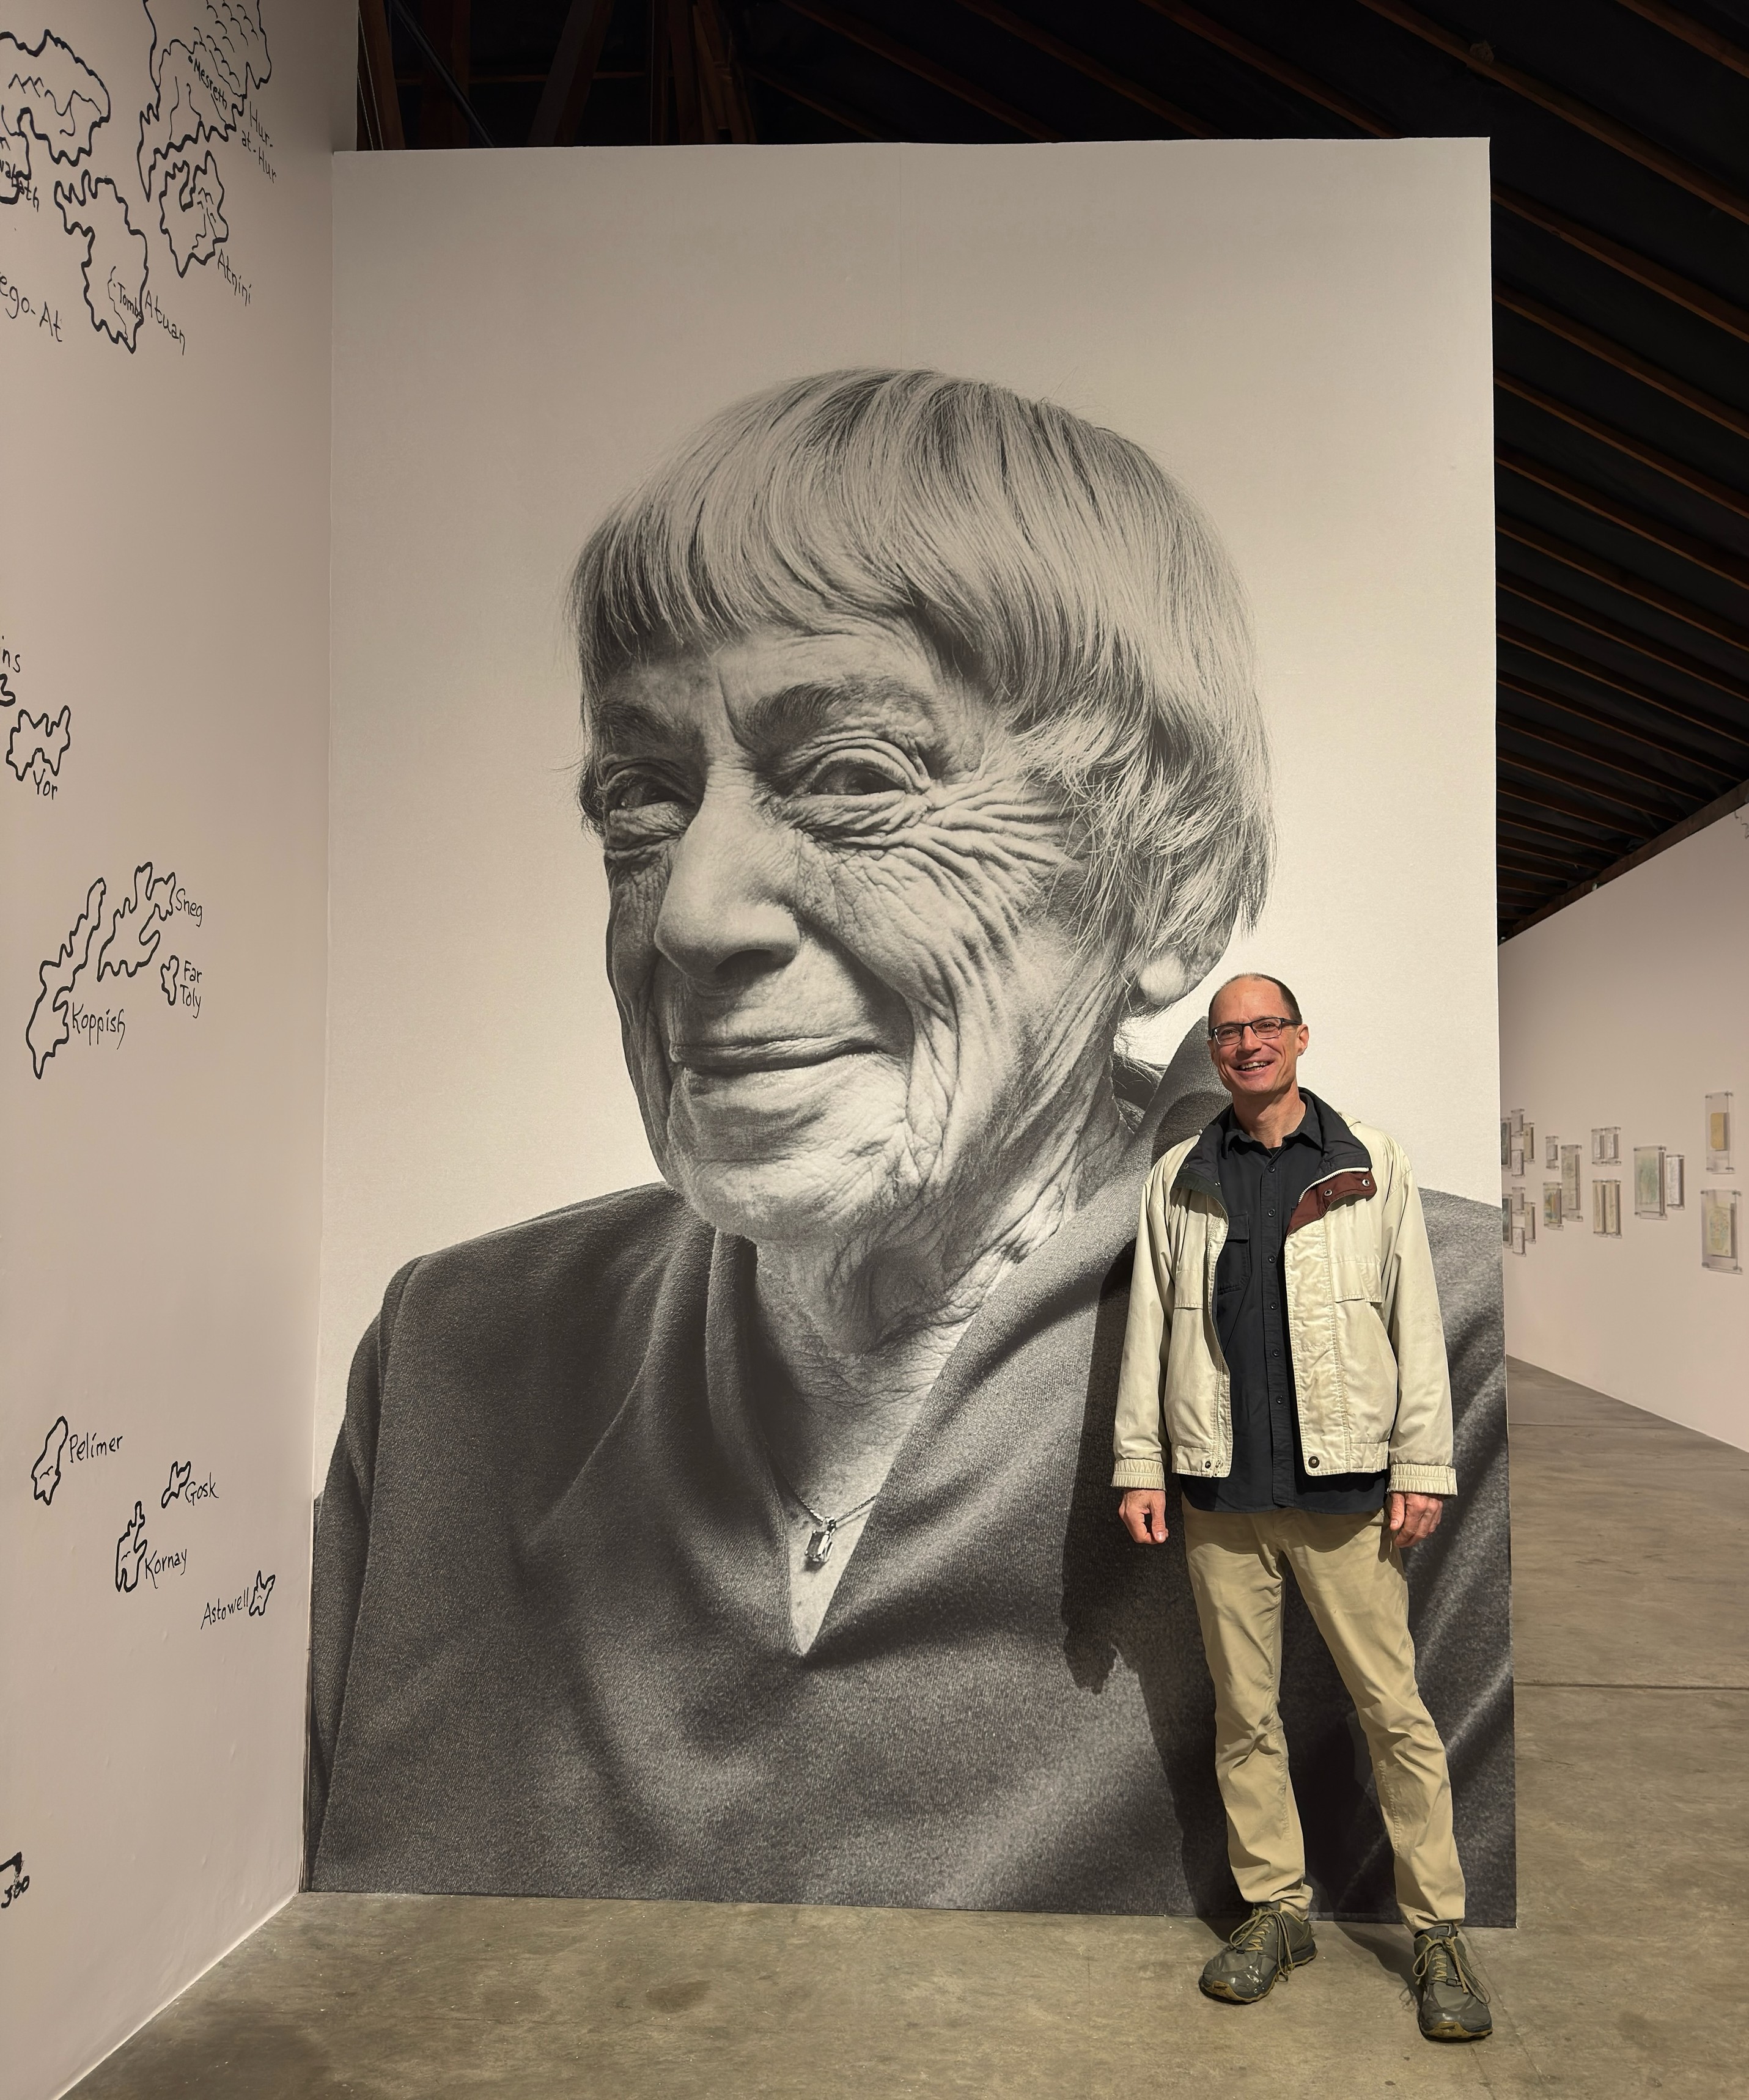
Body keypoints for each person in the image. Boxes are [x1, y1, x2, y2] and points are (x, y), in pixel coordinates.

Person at [306, 369, 1512, 1922]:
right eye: (642, 800)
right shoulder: (451, 1357)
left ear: (1169, 891)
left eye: (854, 776)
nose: (690, 915)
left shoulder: (1429, 1332)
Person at [1114, 971, 1492, 2041]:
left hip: (1346, 1487)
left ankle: (1436, 1931)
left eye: (1265, 1026)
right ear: (1214, 1050)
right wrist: (1139, 1463)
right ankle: (1275, 1912)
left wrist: (1421, 1465)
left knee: (1393, 1713)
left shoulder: (1371, 1162)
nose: (1247, 1044)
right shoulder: (1179, 1177)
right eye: (1228, 1032)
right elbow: (1151, 1325)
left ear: (1299, 1038)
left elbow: (1413, 1317)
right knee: (1244, 1716)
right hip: (1219, 1490)